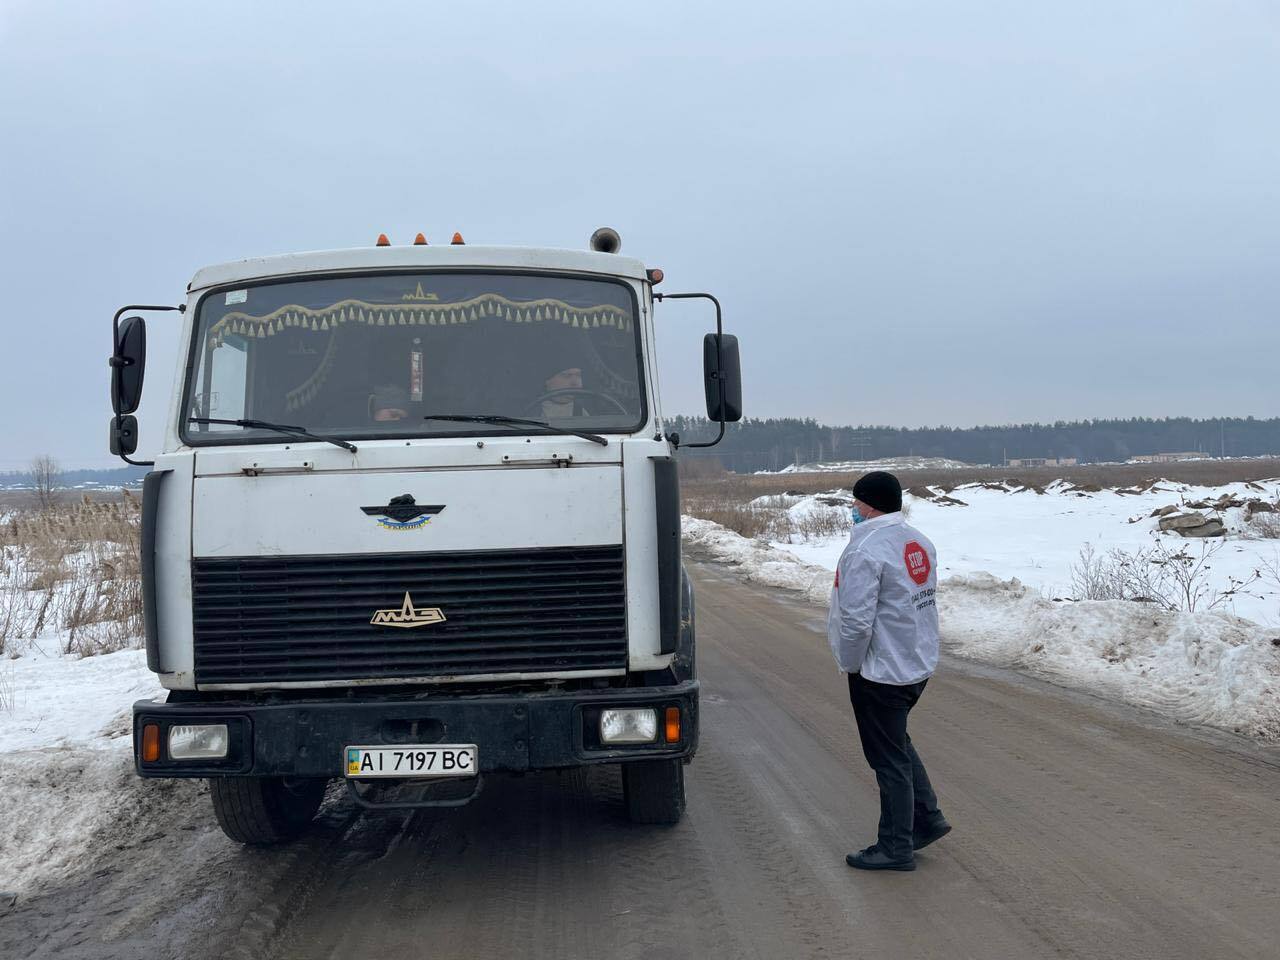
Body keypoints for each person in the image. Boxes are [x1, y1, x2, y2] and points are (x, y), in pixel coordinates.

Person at [828, 470, 950, 872]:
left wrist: (850, 663)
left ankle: (895, 846)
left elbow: (857, 621)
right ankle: (926, 818)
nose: (853, 509)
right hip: (914, 664)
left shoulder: (865, 551)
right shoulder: (918, 540)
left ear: (868, 504)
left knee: (887, 758)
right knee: (897, 742)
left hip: (880, 671)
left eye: (855, 502)